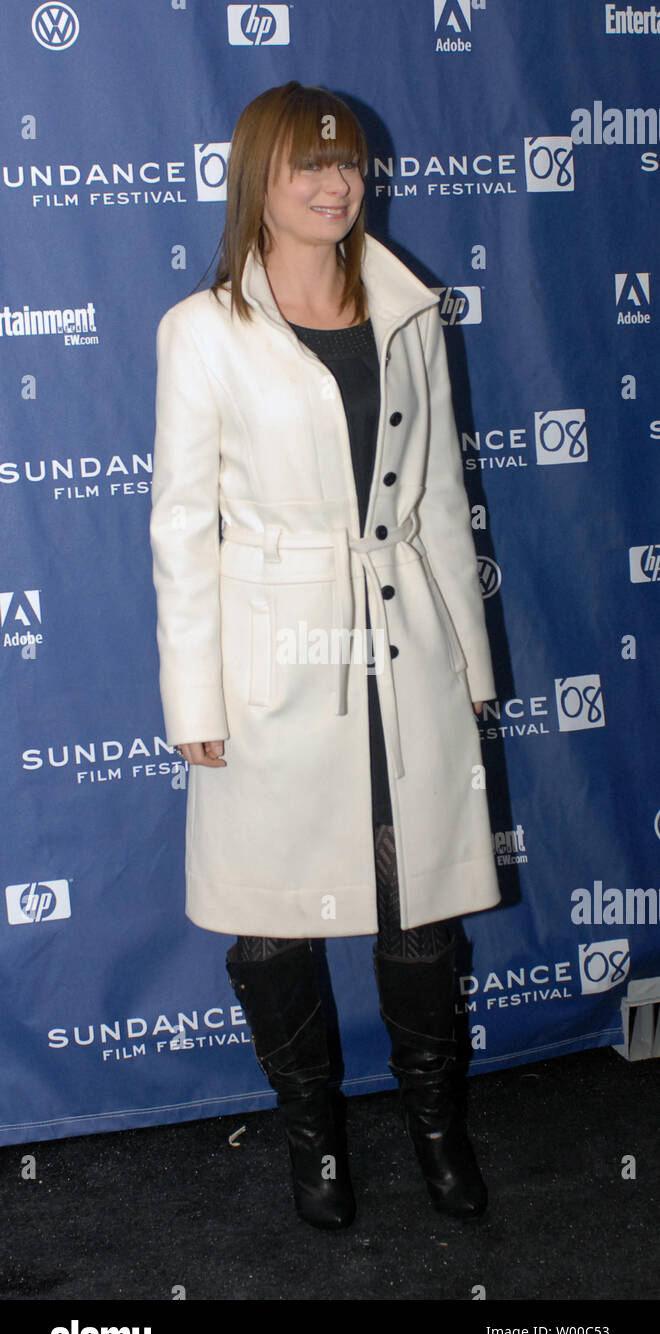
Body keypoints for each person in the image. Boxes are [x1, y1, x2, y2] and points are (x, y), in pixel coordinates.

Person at [150, 81, 501, 1232]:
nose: (333, 184)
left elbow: (441, 498)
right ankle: (315, 1141)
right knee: (274, 916)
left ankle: (440, 1135)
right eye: (308, 165)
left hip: (404, 649)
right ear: (261, 175)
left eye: (347, 166)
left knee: (420, 910)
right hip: (273, 663)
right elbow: (178, 527)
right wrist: (191, 691)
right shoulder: (200, 331)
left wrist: (472, 666)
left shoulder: (406, 310)